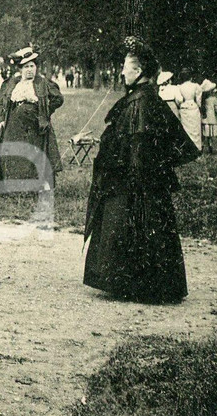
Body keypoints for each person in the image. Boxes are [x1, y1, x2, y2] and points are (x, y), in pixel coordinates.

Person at [84, 36, 200, 303]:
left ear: (138, 72)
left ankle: (138, 285)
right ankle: (141, 284)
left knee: (135, 225)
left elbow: (138, 147)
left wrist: (130, 176)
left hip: (135, 183)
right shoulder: (145, 98)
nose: (122, 71)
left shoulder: (140, 103)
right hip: (143, 181)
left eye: (126, 66)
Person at [0, 46, 64, 190]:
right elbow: (1, 102)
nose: (29, 70)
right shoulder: (11, 83)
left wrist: (45, 111)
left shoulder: (42, 82)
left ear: (36, 67)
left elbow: (58, 99)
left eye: (32, 66)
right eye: (26, 67)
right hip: (14, 123)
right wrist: (2, 119)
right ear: (20, 69)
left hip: (36, 123)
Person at [175, 70, 203, 151]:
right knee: (195, 127)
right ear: (190, 77)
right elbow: (198, 99)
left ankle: (187, 148)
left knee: (186, 128)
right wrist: (199, 106)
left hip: (184, 107)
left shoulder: (179, 87)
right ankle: (197, 147)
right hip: (193, 106)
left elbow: (178, 99)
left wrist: (180, 105)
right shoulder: (196, 86)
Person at [200, 79, 217, 155]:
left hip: (204, 119)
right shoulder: (214, 99)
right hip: (211, 118)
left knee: (203, 135)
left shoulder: (203, 100)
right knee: (209, 136)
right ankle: (210, 147)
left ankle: (201, 147)